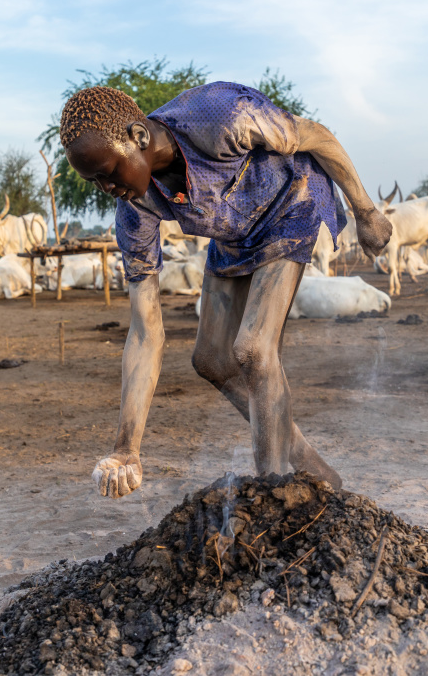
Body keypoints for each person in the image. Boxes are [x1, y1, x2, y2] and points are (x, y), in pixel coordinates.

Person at [60, 82, 392, 498]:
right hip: (233, 233)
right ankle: (308, 463)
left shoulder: (222, 118)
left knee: (254, 349)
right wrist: (126, 448)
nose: (106, 187)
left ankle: (272, 490)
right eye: (94, 181)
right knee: (211, 359)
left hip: (292, 204)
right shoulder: (136, 207)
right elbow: (145, 332)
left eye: (107, 172)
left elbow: (318, 136)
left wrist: (365, 210)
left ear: (138, 137)